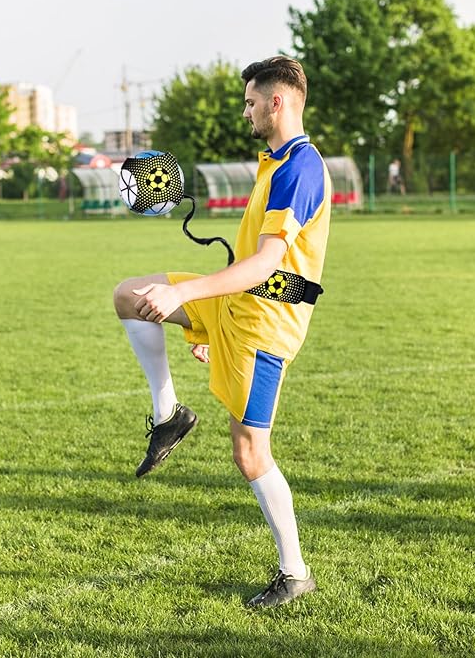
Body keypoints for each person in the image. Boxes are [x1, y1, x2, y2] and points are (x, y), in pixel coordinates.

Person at [114, 55, 331, 608]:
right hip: (240, 304)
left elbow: (269, 268)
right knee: (130, 297)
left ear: (276, 102)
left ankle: (294, 571)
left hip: (265, 326)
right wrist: (210, 312)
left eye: (251, 102)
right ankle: (169, 417)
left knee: (250, 452)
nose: (246, 112)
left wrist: (187, 294)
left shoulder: (300, 169)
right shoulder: (275, 161)